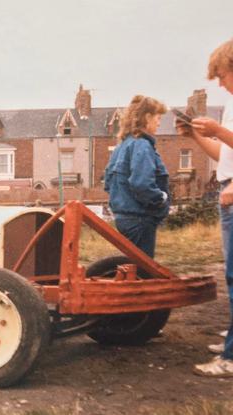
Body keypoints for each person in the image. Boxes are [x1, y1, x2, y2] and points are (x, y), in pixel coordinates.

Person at [177, 38, 233, 377]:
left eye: (223, 74)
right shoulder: (230, 105)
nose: (220, 83)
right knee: (230, 275)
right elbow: (223, 155)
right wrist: (199, 136)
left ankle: (231, 357)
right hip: (227, 190)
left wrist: (217, 130)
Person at [103, 95, 170, 258]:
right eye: (158, 118)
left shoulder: (122, 146)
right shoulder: (143, 145)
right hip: (140, 219)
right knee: (143, 272)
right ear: (147, 117)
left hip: (123, 218)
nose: (159, 123)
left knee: (131, 269)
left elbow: (107, 184)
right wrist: (161, 197)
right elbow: (141, 184)